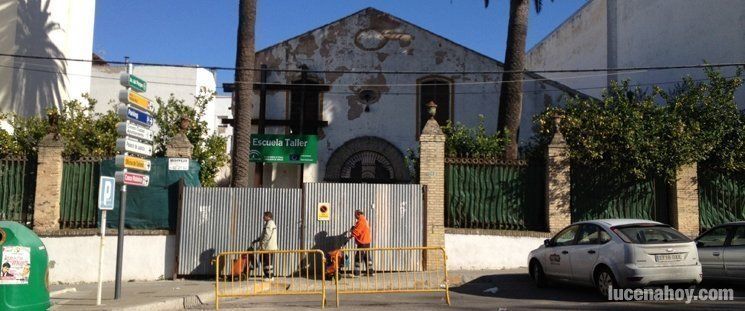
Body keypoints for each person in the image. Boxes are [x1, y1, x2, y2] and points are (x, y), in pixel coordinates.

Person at [252, 211, 277, 281]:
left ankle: (269, 277)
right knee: (264, 260)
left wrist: (261, 243)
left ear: (268, 216)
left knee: (267, 262)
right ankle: (268, 275)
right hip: (266, 247)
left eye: (264, 216)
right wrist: (257, 240)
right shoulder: (267, 224)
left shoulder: (270, 223)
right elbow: (263, 235)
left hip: (268, 247)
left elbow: (267, 235)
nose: (263, 217)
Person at [348, 210, 373, 277]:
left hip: (363, 242)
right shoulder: (365, 220)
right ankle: (370, 272)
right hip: (367, 241)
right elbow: (360, 229)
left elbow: (357, 232)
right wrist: (354, 228)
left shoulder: (361, 221)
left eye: (355, 214)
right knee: (366, 257)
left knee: (358, 257)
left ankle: (356, 273)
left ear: (358, 214)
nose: (354, 216)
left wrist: (349, 237)